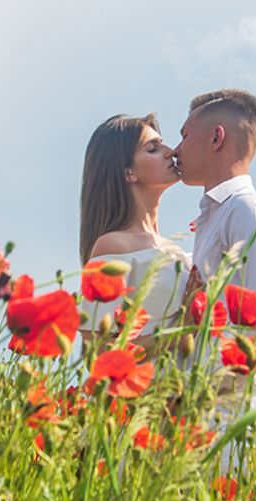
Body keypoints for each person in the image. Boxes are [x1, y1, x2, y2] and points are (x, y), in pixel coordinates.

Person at [172, 89, 256, 409]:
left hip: (242, 414)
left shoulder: (245, 209)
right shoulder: (216, 216)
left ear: (217, 138)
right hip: (210, 410)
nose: (176, 149)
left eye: (185, 136)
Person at [78, 114, 189, 344]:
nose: (170, 152)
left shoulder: (174, 249)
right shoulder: (113, 246)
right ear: (128, 172)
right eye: (153, 149)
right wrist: (184, 327)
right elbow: (99, 351)